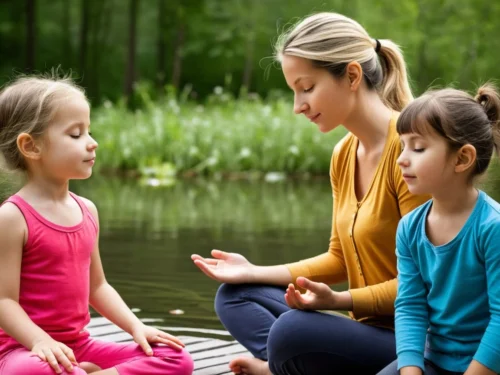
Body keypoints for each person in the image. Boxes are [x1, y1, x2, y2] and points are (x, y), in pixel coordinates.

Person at [191, 12, 429, 375]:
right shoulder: (344, 154)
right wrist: (253, 271)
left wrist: (339, 300)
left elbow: (428, 282)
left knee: (292, 331)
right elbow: (339, 258)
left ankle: (282, 366)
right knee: (236, 296)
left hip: (415, 341)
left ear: (351, 76)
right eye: (294, 91)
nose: (297, 105)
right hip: (364, 332)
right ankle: (290, 363)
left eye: (307, 87)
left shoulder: (411, 153)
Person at [0, 76, 194, 375]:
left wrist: (137, 327)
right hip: (25, 351)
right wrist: (40, 341)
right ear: (31, 146)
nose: (92, 143)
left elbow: (98, 286)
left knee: (175, 356)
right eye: (76, 135)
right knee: (33, 371)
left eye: (89, 131)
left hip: (79, 346)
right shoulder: (13, 217)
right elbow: (3, 300)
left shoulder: (87, 210)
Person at [377, 85, 500, 375]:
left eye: (418, 148)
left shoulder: (492, 228)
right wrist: (410, 370)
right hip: (435, 360)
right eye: (402, 145)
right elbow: (409, 306)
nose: (401, 159)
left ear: (462, 159)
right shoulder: (409, 227)